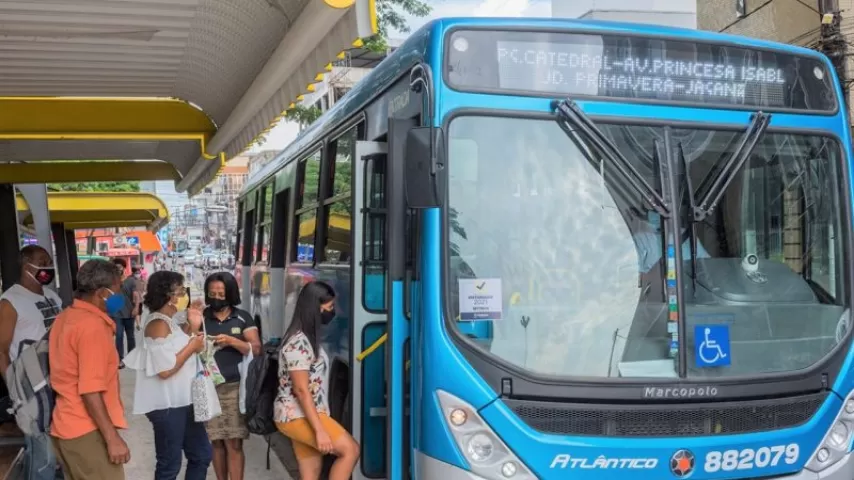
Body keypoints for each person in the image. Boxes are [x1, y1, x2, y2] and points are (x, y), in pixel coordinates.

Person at [124, 271, 211, 480]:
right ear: (168, 295)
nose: (184, 295)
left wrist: (193, 324)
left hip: (183, 401)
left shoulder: (169, 321)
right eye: (181, 291)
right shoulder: (157, 324)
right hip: (167, 405)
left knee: (201, 455)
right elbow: (165, 370)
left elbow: (180, 343)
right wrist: (192, 346)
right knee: (169, 464)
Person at [49, 259, 129, 480]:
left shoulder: (67, 316)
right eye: (117, 290)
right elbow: (90, 390)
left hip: (67, 425)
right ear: (101, 293)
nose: (120, 296)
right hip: (86, 430)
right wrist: (112, 438)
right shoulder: (91, 327)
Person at [275, 281, 359, 480]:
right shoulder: (299, 343)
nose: (332, 313)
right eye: (328, 308)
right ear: (314, 308)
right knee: (350, 451)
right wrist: (320, 430)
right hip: (297, 416)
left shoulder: (304, 338)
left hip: (299, 415)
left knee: (311, 473)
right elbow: (301, 390)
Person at [0, 245, 64, 480]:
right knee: (42, 456)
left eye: (49, 260)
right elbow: (1, 350)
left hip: (59, 383)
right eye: (42, 260)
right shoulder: (11, 301)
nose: (48, 265)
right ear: (27, 266)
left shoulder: (52, 296)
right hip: (31, 389)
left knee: (59, 452)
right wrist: (16, 391)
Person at [201, 272, 260, 480]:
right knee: (216, 441)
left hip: (235, 388)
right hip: (208, 388)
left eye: (221, 293)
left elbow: (256, 348)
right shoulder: (201, 317)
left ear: (231, 294)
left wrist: (233, 341)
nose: (217, 297)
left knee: (233, 442)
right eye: (212, 293)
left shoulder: (243, 317)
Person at [108, 260, 139, 368]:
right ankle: (120, 359)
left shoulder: (130, 281)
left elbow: (136, 296)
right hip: (116, 314)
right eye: (116, 267)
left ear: (124, 268)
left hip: (129, 313)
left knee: (130, 336)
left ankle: (131, 358)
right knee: (119, 336)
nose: (118, 269)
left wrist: (136, 308)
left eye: (120, 267)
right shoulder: (110, 281)